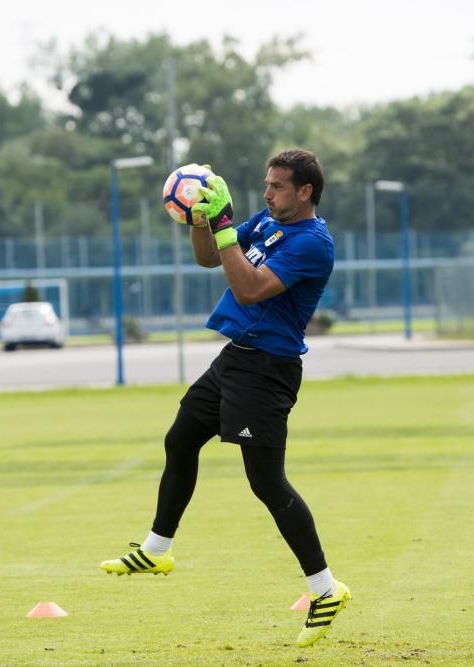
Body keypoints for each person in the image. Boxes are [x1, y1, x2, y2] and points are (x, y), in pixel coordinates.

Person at [100, 149, 350, 648]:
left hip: (267, 371)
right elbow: (210, 257)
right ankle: (157, 548)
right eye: (265, 183)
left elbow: (252, 288)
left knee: (266, 483)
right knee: (181, 439)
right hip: (236, 359)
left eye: (278, 186)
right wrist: (202, 217)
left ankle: (326, 588)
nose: (267, 192)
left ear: (306, 192)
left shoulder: (313, 243)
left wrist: (225, 225)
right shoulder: (266, 221)